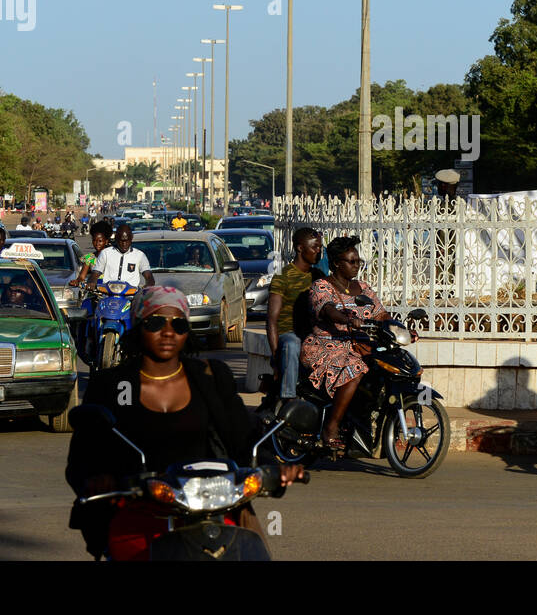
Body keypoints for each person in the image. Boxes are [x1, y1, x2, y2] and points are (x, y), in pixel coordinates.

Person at [64, 285, 303, 558]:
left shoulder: (211, 377)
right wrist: (98, 479)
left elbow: (245, 436)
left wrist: (274, 468)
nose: (168, 332)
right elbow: (83, 456)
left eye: (178, 324)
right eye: (156, 322)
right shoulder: (111, 385)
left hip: (210, 510)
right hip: (140, 510)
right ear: (139, 325)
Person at [301, 236, 389, 454]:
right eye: (351, 261)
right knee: (355, 368)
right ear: (337, 264)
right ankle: (331, 428)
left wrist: (398, 327)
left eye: (358, 261)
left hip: (358, 347)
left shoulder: (364, 288)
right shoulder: (321, 286)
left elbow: (380, 313)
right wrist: (346, 319)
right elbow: (327, 309)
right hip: (325, 347)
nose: (356, 265)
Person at [266, 228, 322, 403]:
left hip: (313, 334)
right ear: (300, 248)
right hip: (289, 334)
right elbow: (272, 321)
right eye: (314, 247)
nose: (318, 251)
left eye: (320, 247)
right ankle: (288, 401)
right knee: (293, 344)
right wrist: (275, 358)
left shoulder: (319, 276)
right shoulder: (283, 277)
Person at [87, 223, 154, 290]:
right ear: (116, 238)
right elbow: (95, 273)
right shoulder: (105, 253)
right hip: (108, 295)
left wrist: (149, 284)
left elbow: (148, 276)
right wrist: (91, 281)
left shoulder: (140, 255)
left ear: (131, 238)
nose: (124, 244)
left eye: (127, 240)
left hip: (131, 296)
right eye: (121, 240)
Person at [70, 221, 112, 287]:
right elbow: (82, 277)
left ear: (106, 241)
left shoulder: (112, 256)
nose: (97, 243)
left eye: (100, 241)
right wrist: (77, 281)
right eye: (94, 240)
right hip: (94, 291)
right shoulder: (89, 257)